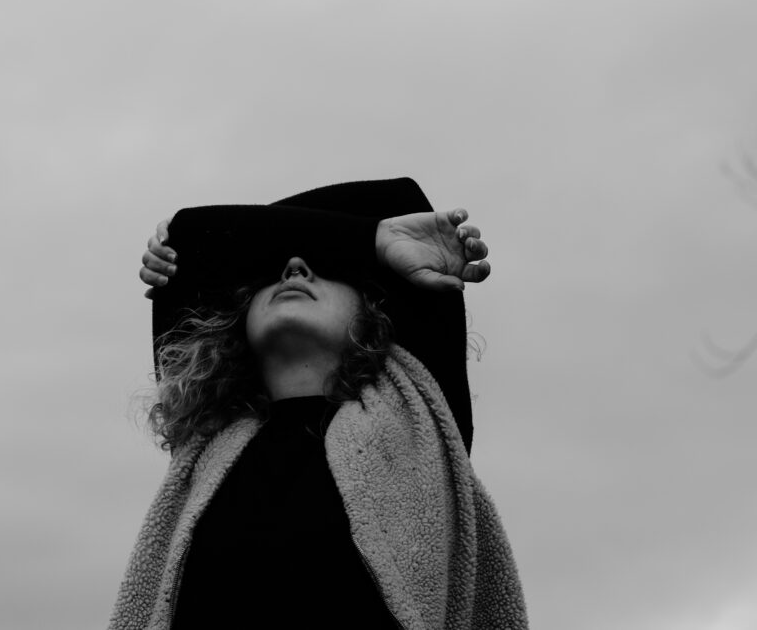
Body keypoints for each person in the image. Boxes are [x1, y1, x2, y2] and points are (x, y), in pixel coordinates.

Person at [109, 178, 528, 630]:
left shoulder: (417, 417)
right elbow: (192, 235)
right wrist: (363, 240)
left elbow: (190, 234)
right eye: (272, 271)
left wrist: (372, 242)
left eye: (326, 267)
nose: (294, 270)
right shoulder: (209, 440)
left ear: (376, 313)